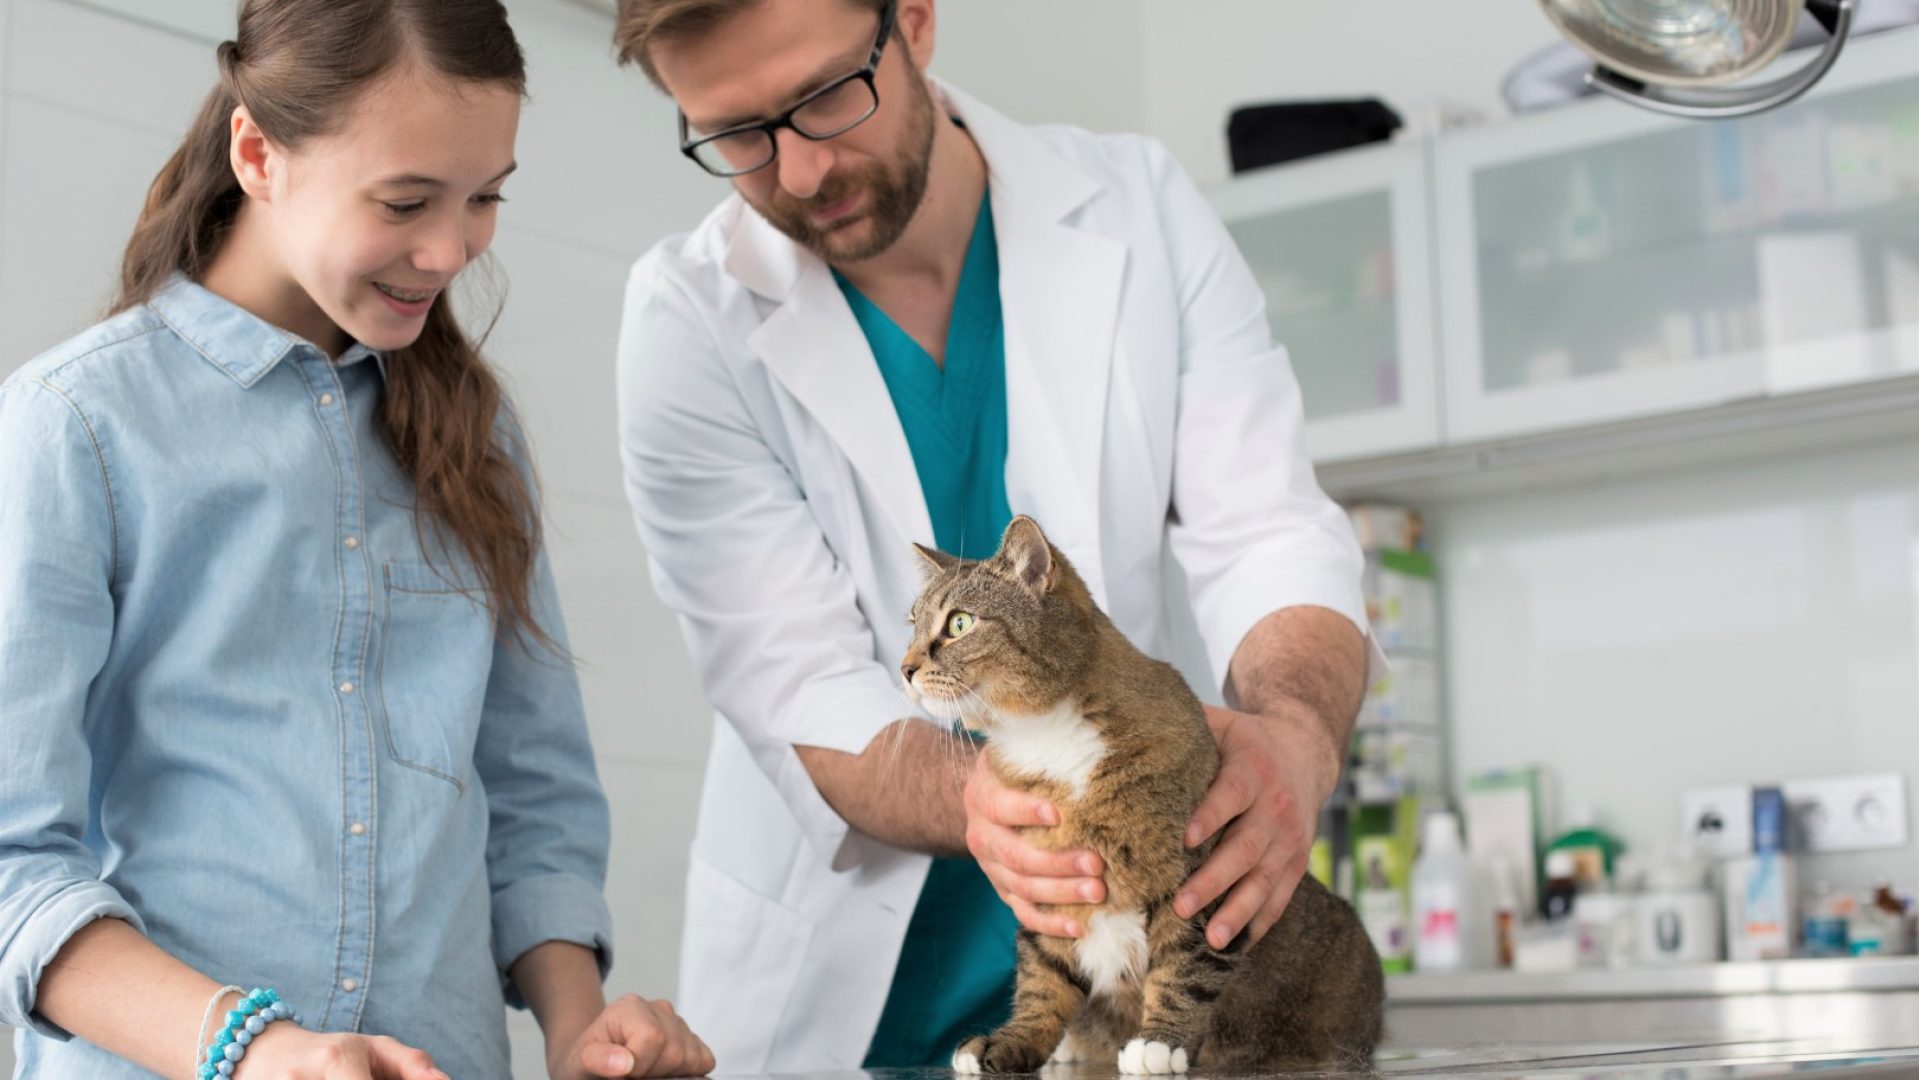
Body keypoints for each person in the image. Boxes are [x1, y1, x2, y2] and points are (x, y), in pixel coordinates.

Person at [612, 0, 1380, 1070]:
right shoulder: (686, 323)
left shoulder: (1139, 209)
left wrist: (1297, 736)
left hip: (1133, 1003)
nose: (796, 173)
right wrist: (989, 791)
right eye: (737, 134)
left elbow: (1265, 527)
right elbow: (798, 684)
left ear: (916, 21)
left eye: (830, 95)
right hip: (838, 1024)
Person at [0, 2, 712, 1077]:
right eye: (406, 200)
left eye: (485, 198)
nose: (449, 249)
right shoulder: (78, 427)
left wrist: (580, 1030)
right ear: (257, 154)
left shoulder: (479, 436)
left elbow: (533, 794)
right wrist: (255, 1051)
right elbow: (14, 866)